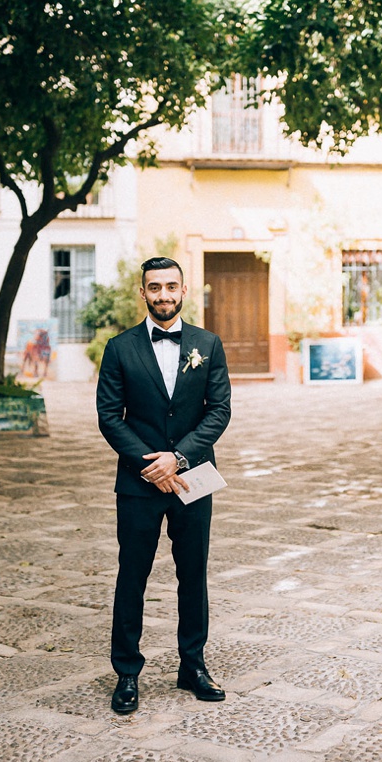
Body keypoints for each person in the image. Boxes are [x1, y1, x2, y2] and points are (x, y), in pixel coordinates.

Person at [95, 256, 232, 714]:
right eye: (154, 288)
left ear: (184, 290)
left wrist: (180, 457)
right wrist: (149, 463)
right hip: (139, 483)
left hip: (193, 477)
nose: (163, 295)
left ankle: (192, 665)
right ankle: (127, 673)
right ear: (143, 293)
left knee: (193, 575)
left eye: (171, 286)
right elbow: (109, 416)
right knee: (132, 576)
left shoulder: (207, 344)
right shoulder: (119, 348)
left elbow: (219, 410)